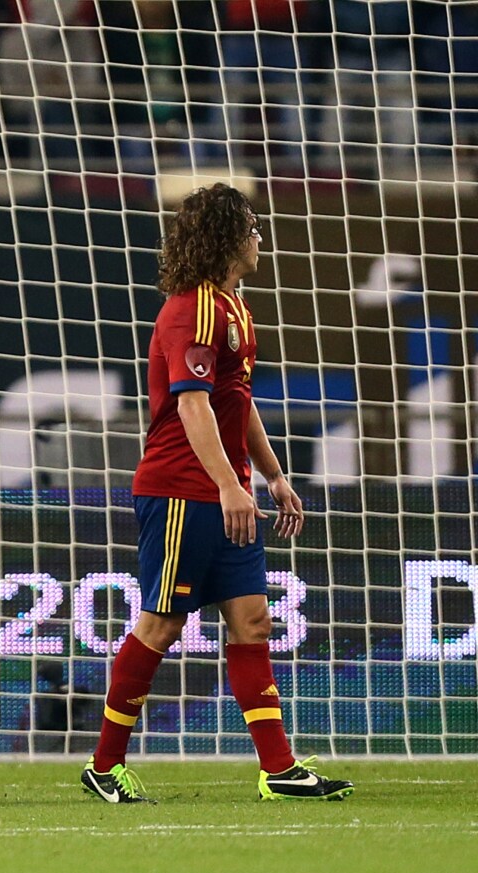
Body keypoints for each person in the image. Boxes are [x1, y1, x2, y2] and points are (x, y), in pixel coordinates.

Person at [79, 183, 353, 804]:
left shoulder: (236, 308)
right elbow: (194, 404)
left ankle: (278, 770)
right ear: (228, 236)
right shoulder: (193, 308)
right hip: (182, 491)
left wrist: (274, 475)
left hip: (227, 492)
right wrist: (230, 484)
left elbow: (236, 402)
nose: (260, 237)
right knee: (162, 623)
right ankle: (104, 764)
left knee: (251, 620)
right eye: (252, 226)